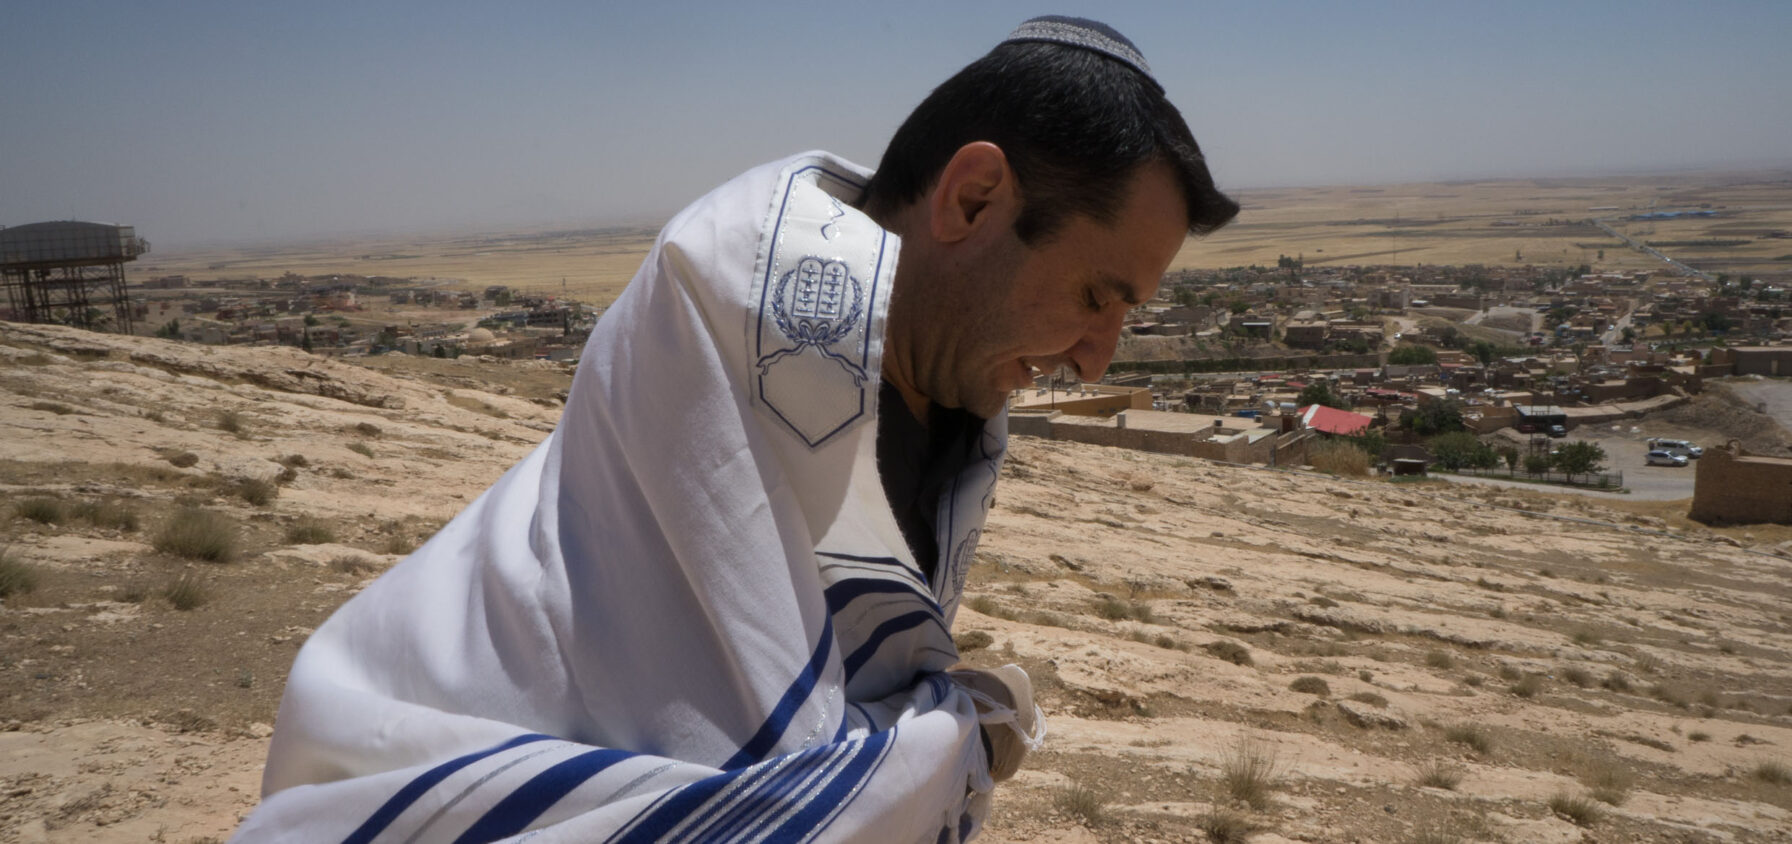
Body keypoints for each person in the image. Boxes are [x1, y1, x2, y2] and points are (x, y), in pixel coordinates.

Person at [234, 15, 1236, 843]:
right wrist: (955, 737)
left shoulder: (951, 393)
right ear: (973, 199)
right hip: (434, 768)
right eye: (1097, 295)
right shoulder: (728, 317)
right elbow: (762, 796)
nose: (1099, 356)